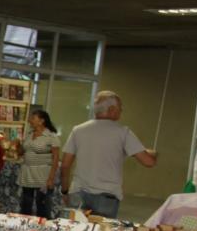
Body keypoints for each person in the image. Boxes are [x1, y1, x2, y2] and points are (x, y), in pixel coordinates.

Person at [59, 90, 157, 218]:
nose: (121, 111)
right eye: (120, 108)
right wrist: (153, 154)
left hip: (78, 192)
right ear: (111, 110)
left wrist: (65, 191)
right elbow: (148, 162)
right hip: (107, 197)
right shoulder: (123, 132)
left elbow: (65, 165)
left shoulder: (78, 130)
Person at [19, 108, 61, 218]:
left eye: (33, 118)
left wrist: (51, 178)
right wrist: (18, 144)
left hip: (42, 175)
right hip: (27, 173)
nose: (30, 120)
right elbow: (22, 151)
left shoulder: (51, 136)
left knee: (41, 204)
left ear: (41, 120)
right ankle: (24, 225)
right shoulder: (29, 134)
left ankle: (42, 228)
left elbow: (56, 157)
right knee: (26, 204)